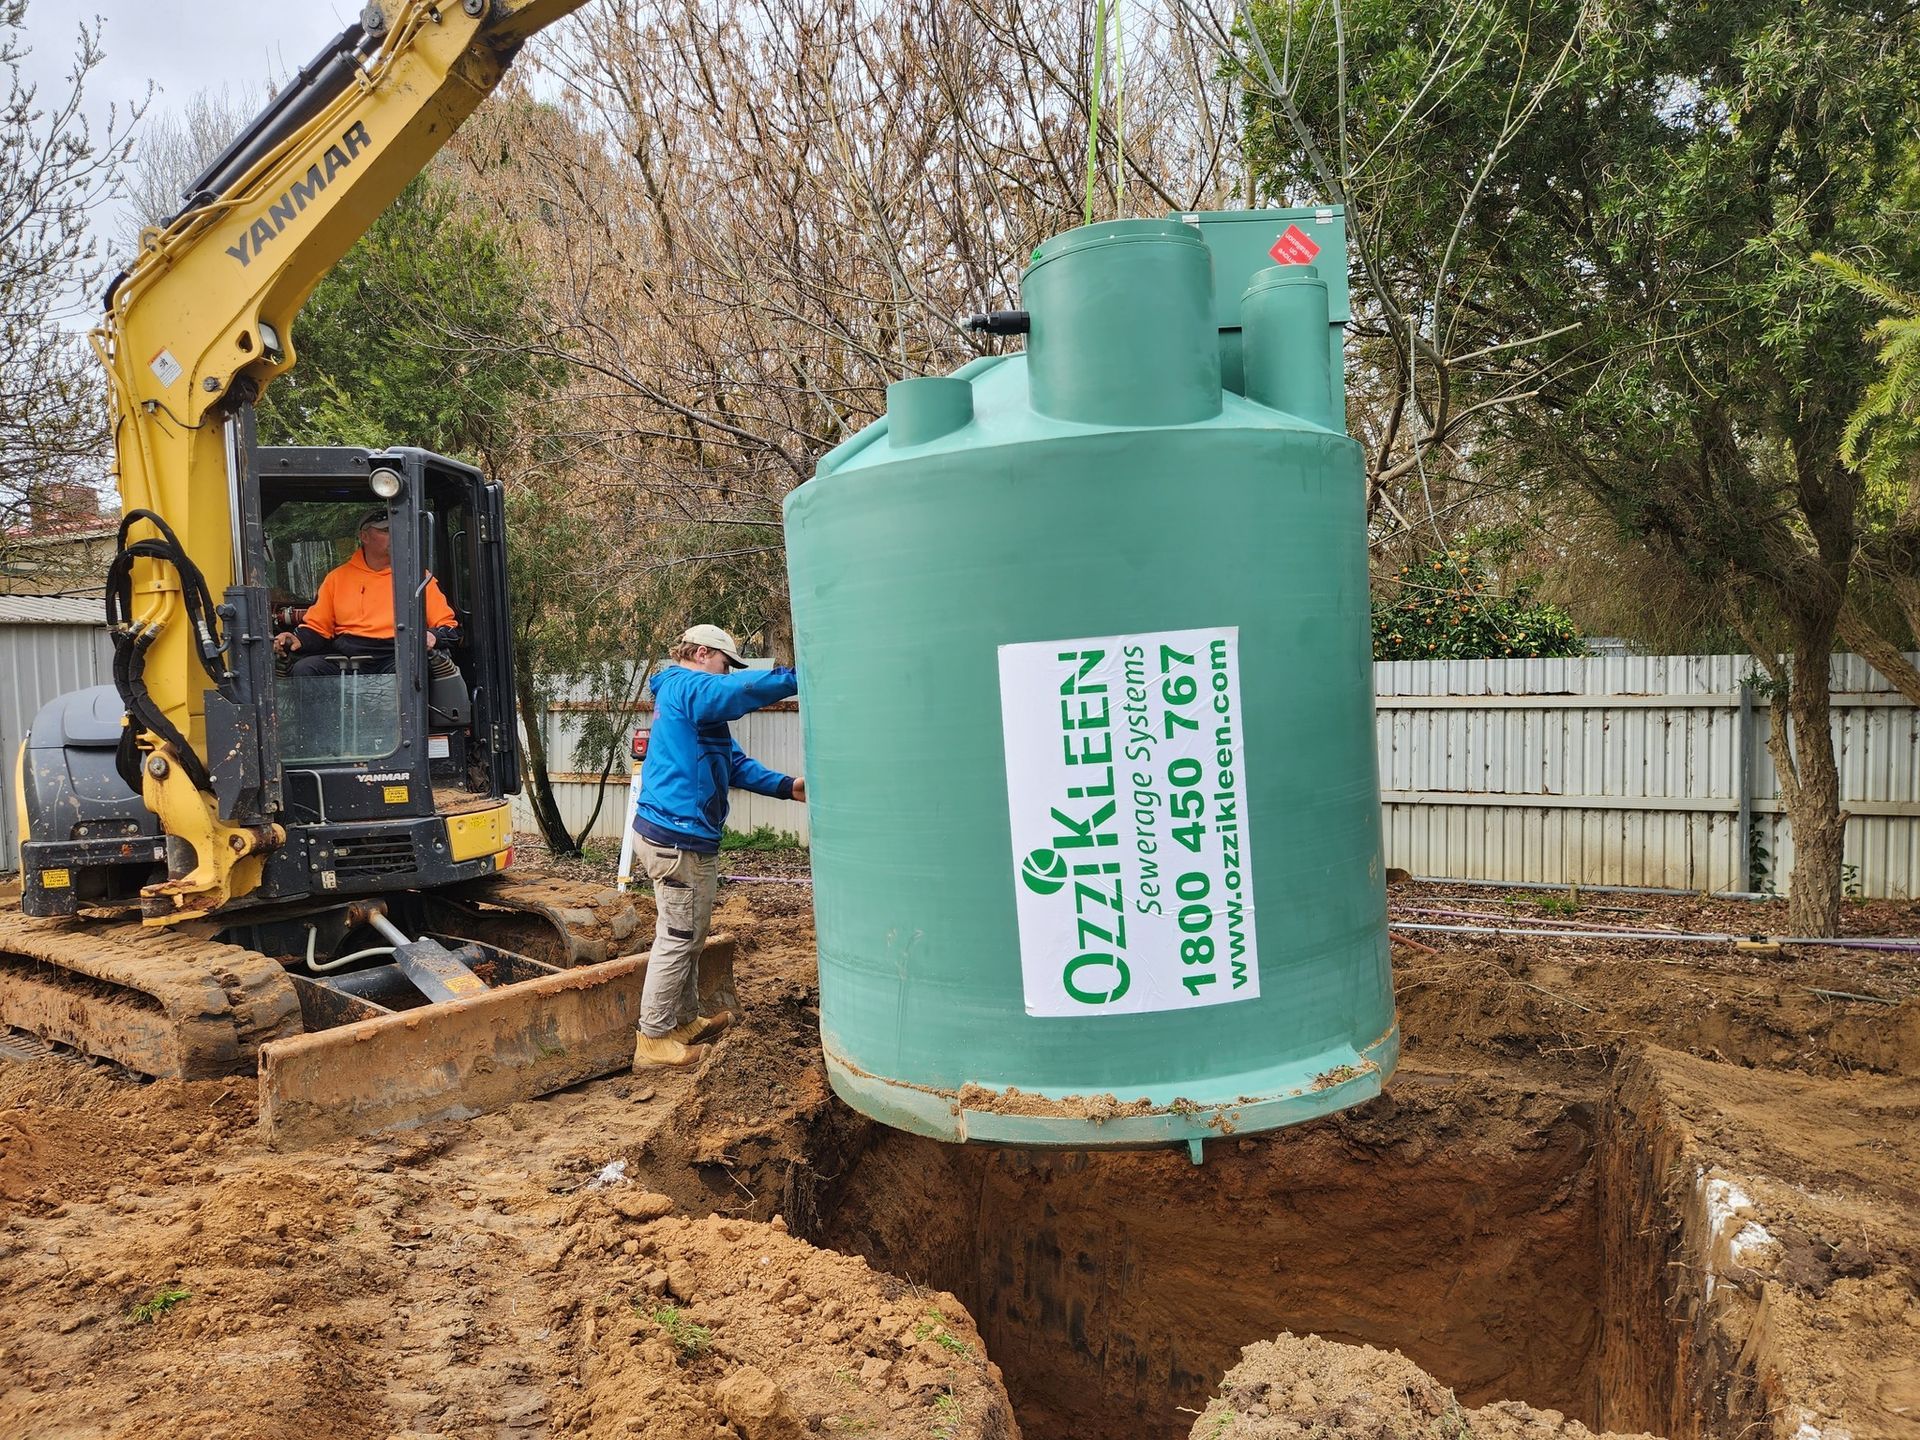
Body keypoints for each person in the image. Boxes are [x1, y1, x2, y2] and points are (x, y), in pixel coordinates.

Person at [632, 623, 806, 1068]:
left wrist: (788, 787)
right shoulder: (685, 686)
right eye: (725, 664)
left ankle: (684, 1020)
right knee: (678, 936)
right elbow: (731, 694)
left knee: (690, 933)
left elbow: (734, 764)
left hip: (684, 835)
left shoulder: (693, 703)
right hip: (677, 839)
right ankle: (652, 1040)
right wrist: (799, 677)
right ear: (703, 652)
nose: (726, 674)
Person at [274, 510, 457, 675]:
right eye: (385, 530)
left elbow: (447, 625)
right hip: (347, 657)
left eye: (397, 529)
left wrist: (433, 635)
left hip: (397, 655)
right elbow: (318, 628)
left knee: (411, 670)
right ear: (364, 536)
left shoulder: (418, 577)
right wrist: (296, 638)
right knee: (304, 669)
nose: (393, 535)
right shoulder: (337, 578)